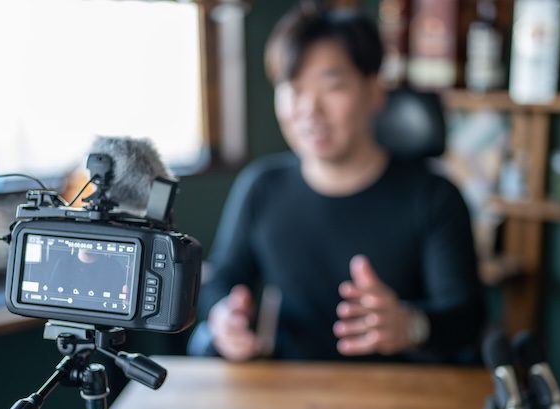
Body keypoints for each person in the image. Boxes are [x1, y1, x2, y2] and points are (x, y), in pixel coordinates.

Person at [189, 4, 484, 363]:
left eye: (333, 87)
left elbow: (467, 318)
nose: (309, 109)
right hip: (284, 390)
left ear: (375, 91)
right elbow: (222, 280)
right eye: (293, 88)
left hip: (398, 397)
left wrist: (412, 325)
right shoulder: (262, 187)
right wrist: (225, 316)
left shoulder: (435, 196)